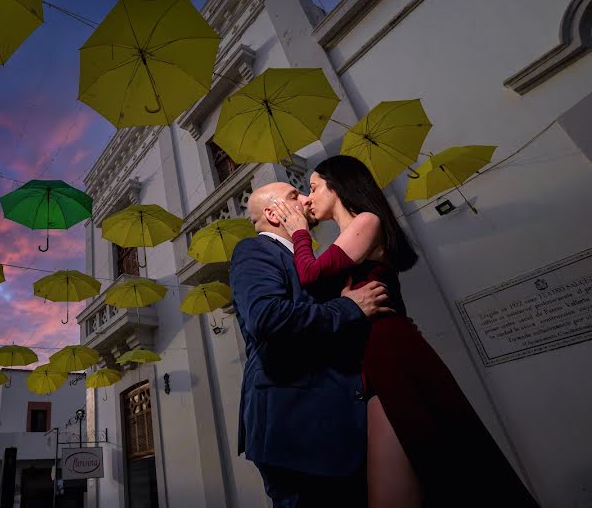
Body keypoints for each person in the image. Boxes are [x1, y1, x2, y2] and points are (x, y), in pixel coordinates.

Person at [272, 155, 538, 508]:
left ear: (338, 186)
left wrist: (299, 232)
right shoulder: (345, 237)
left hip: (391, 350)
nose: (307, 198)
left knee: (415, 468)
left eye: (314, 187)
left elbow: (311, 275)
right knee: (401, 478)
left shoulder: (367, 221)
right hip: (370, 356)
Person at [229, 181, 392, 508]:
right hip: (297, 432)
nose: (305, 198)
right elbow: (267, 317)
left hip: (333, 428)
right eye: (294, 195)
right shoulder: (255, 250)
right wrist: (348, 307)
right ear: (274, 214)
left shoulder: (306, 261)